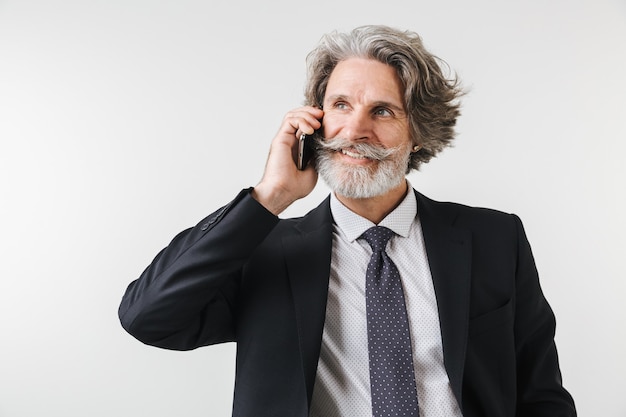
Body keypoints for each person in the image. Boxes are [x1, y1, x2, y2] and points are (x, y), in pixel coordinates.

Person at [119, 25, 576, 417]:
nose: (355, 131)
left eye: (382, 111)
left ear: (418, 133)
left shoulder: (495, 238)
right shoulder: (263, 250)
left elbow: (541, 394)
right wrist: (269, 197)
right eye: (340, 105)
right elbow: (147, 318)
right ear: (315, 119)